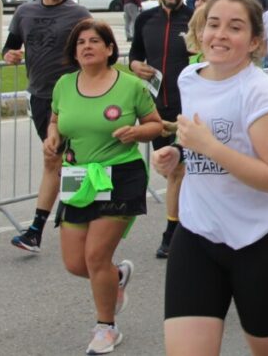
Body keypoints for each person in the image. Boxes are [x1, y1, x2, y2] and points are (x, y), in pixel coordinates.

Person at [152, 0, 268, 356]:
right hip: (198, 235)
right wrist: (177, 153)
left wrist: (210, 148)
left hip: (260, 241)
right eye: (213, 24)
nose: (219, 34)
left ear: (254, 42)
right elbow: (199, 141)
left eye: (234, 28)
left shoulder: (259, 92)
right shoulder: (190, 78)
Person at [48, 19, 163, 354]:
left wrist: (136, 133)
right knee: (74, 262)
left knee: (96, 255)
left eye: (94, 41)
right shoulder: (64, 84)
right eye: (80, 42)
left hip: (120, 175)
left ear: (110, 48)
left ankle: (106, 327)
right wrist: (52, 135)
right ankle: (116, 277)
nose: (86, 46)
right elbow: (56, 119)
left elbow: (155, 125)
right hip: (78, 176)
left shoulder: (130, 87)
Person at [5, 0, 92, 253]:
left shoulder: (78, 13)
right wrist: (10, 55)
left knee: (78, 159)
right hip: (41, 97)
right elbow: (11, 45)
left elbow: (96, 45)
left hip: (75, 96)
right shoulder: (25, 12)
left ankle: (69, 225)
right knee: (54, 159)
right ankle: (41, 230)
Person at [129, 0, 193, 259]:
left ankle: (172, 233)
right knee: (173, 172)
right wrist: (134, 66)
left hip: (189, 109)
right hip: (158, 109)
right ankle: (182, 226)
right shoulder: (145, 19)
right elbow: (134, 55)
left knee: (180, 170)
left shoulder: (194, 19)